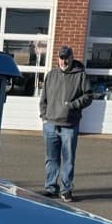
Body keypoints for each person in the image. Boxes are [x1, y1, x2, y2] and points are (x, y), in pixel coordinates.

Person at [39, 45, 92, 202]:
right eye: (61, 58)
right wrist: (44, 116)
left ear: (72, 57)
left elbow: (88, 96)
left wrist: (72, 106)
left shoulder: (80, 75)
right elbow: (44, 98)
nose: (64, 61)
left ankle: (66, 190)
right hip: (50, 124)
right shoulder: (51, 75)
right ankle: (51, 188)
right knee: (51, 158)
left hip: (69, 125)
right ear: (58, 59)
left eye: (66, 57)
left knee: (68, 159)